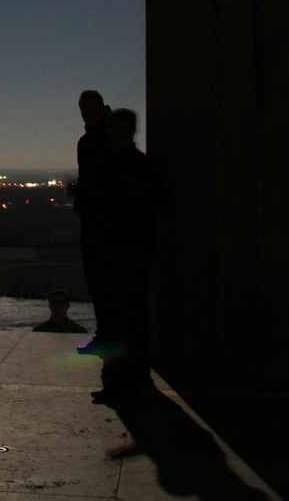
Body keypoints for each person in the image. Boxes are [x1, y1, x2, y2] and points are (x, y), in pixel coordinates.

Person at [90, 106, 168, 402]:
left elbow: (160, 194)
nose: (112, 134)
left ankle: (128, 378)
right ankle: (127, 377)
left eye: (116, 129)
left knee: (127, 315)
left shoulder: (134, 163)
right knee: (123, 315)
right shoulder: (118, 162)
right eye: (110, 129)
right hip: (119, 247)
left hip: (128, 248)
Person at [73, 89, 113, 355]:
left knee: (103, 284)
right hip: (97, 222)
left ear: (102, 108)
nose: (88, 115)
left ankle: (108, 340)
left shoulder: (98, 140)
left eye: (92, 110)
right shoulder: (94, 139)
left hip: (103, 225)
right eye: (85, 112)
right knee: (100, 285)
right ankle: (107, 337)